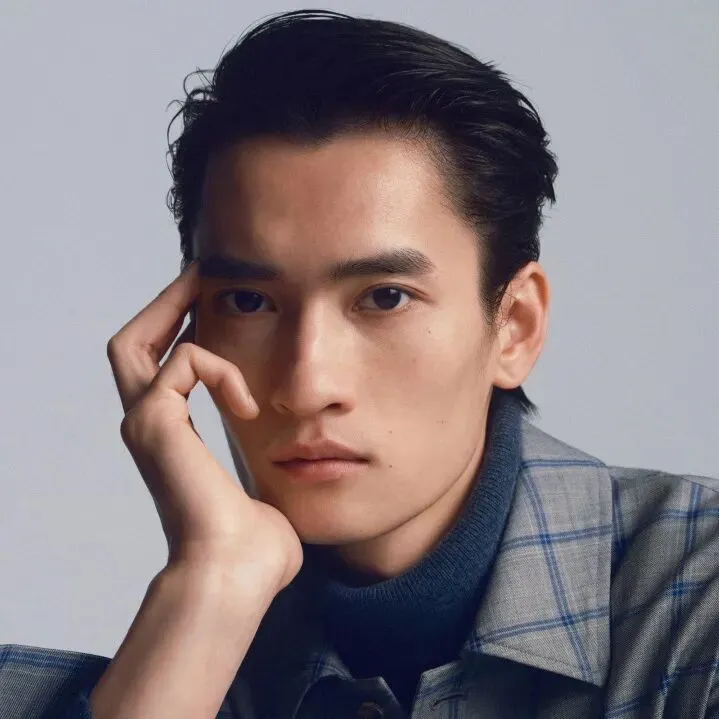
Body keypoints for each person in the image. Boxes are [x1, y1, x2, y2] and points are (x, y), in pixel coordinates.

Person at [1, 9, 717, 719]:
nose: (307, 385)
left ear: (514, 326)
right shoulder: (123, 677)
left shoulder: (696, 608)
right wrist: (211, 587)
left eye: (384, 297)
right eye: (248, 301)